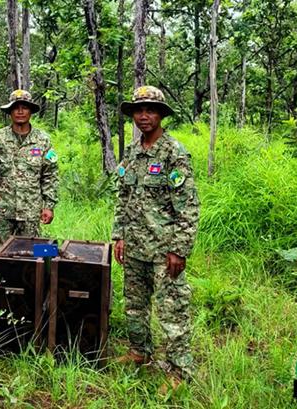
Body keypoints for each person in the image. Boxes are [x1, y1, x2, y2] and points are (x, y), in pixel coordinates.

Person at [112, 85, 200, 389]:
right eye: (139, 110)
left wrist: (179, 249)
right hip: (135, 245)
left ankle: (179, 371)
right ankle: (140, 351)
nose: (144, 116)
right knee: (134, 305)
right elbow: (122, 197)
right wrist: (118, 236)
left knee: (172, 310)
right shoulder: (132, 153)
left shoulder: (174, 153)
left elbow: (188, 206)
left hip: (164, 250)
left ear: (161, 115)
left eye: (150, 110)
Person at [0, 89, 58, 255]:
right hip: (2, 210)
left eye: (25, 107)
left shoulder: (42, 140)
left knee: (31, 256)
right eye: (16, 107)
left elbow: (49, 175)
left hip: (31, 211)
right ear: (10, 111)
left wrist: (49, 206)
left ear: (31, 111)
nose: (20, 111)